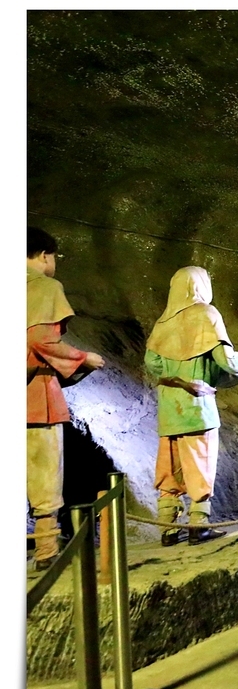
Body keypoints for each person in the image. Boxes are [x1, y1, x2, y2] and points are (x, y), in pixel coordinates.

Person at [144, 266, 238, 546]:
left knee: (170, 468)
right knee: (200, 465)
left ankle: (168, 529)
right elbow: (227, 362)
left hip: (169, 409)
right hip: (197, 407)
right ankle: (198, 525)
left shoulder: (163, 322)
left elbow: (152, 363)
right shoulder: (207, 314)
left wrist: (178, 373)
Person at [27, 227, 106, 570]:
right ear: (44, 255)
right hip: (33, 396)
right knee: (44, 471)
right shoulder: (44, 287)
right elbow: (42, 340)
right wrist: (83, 358)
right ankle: (46, 548)